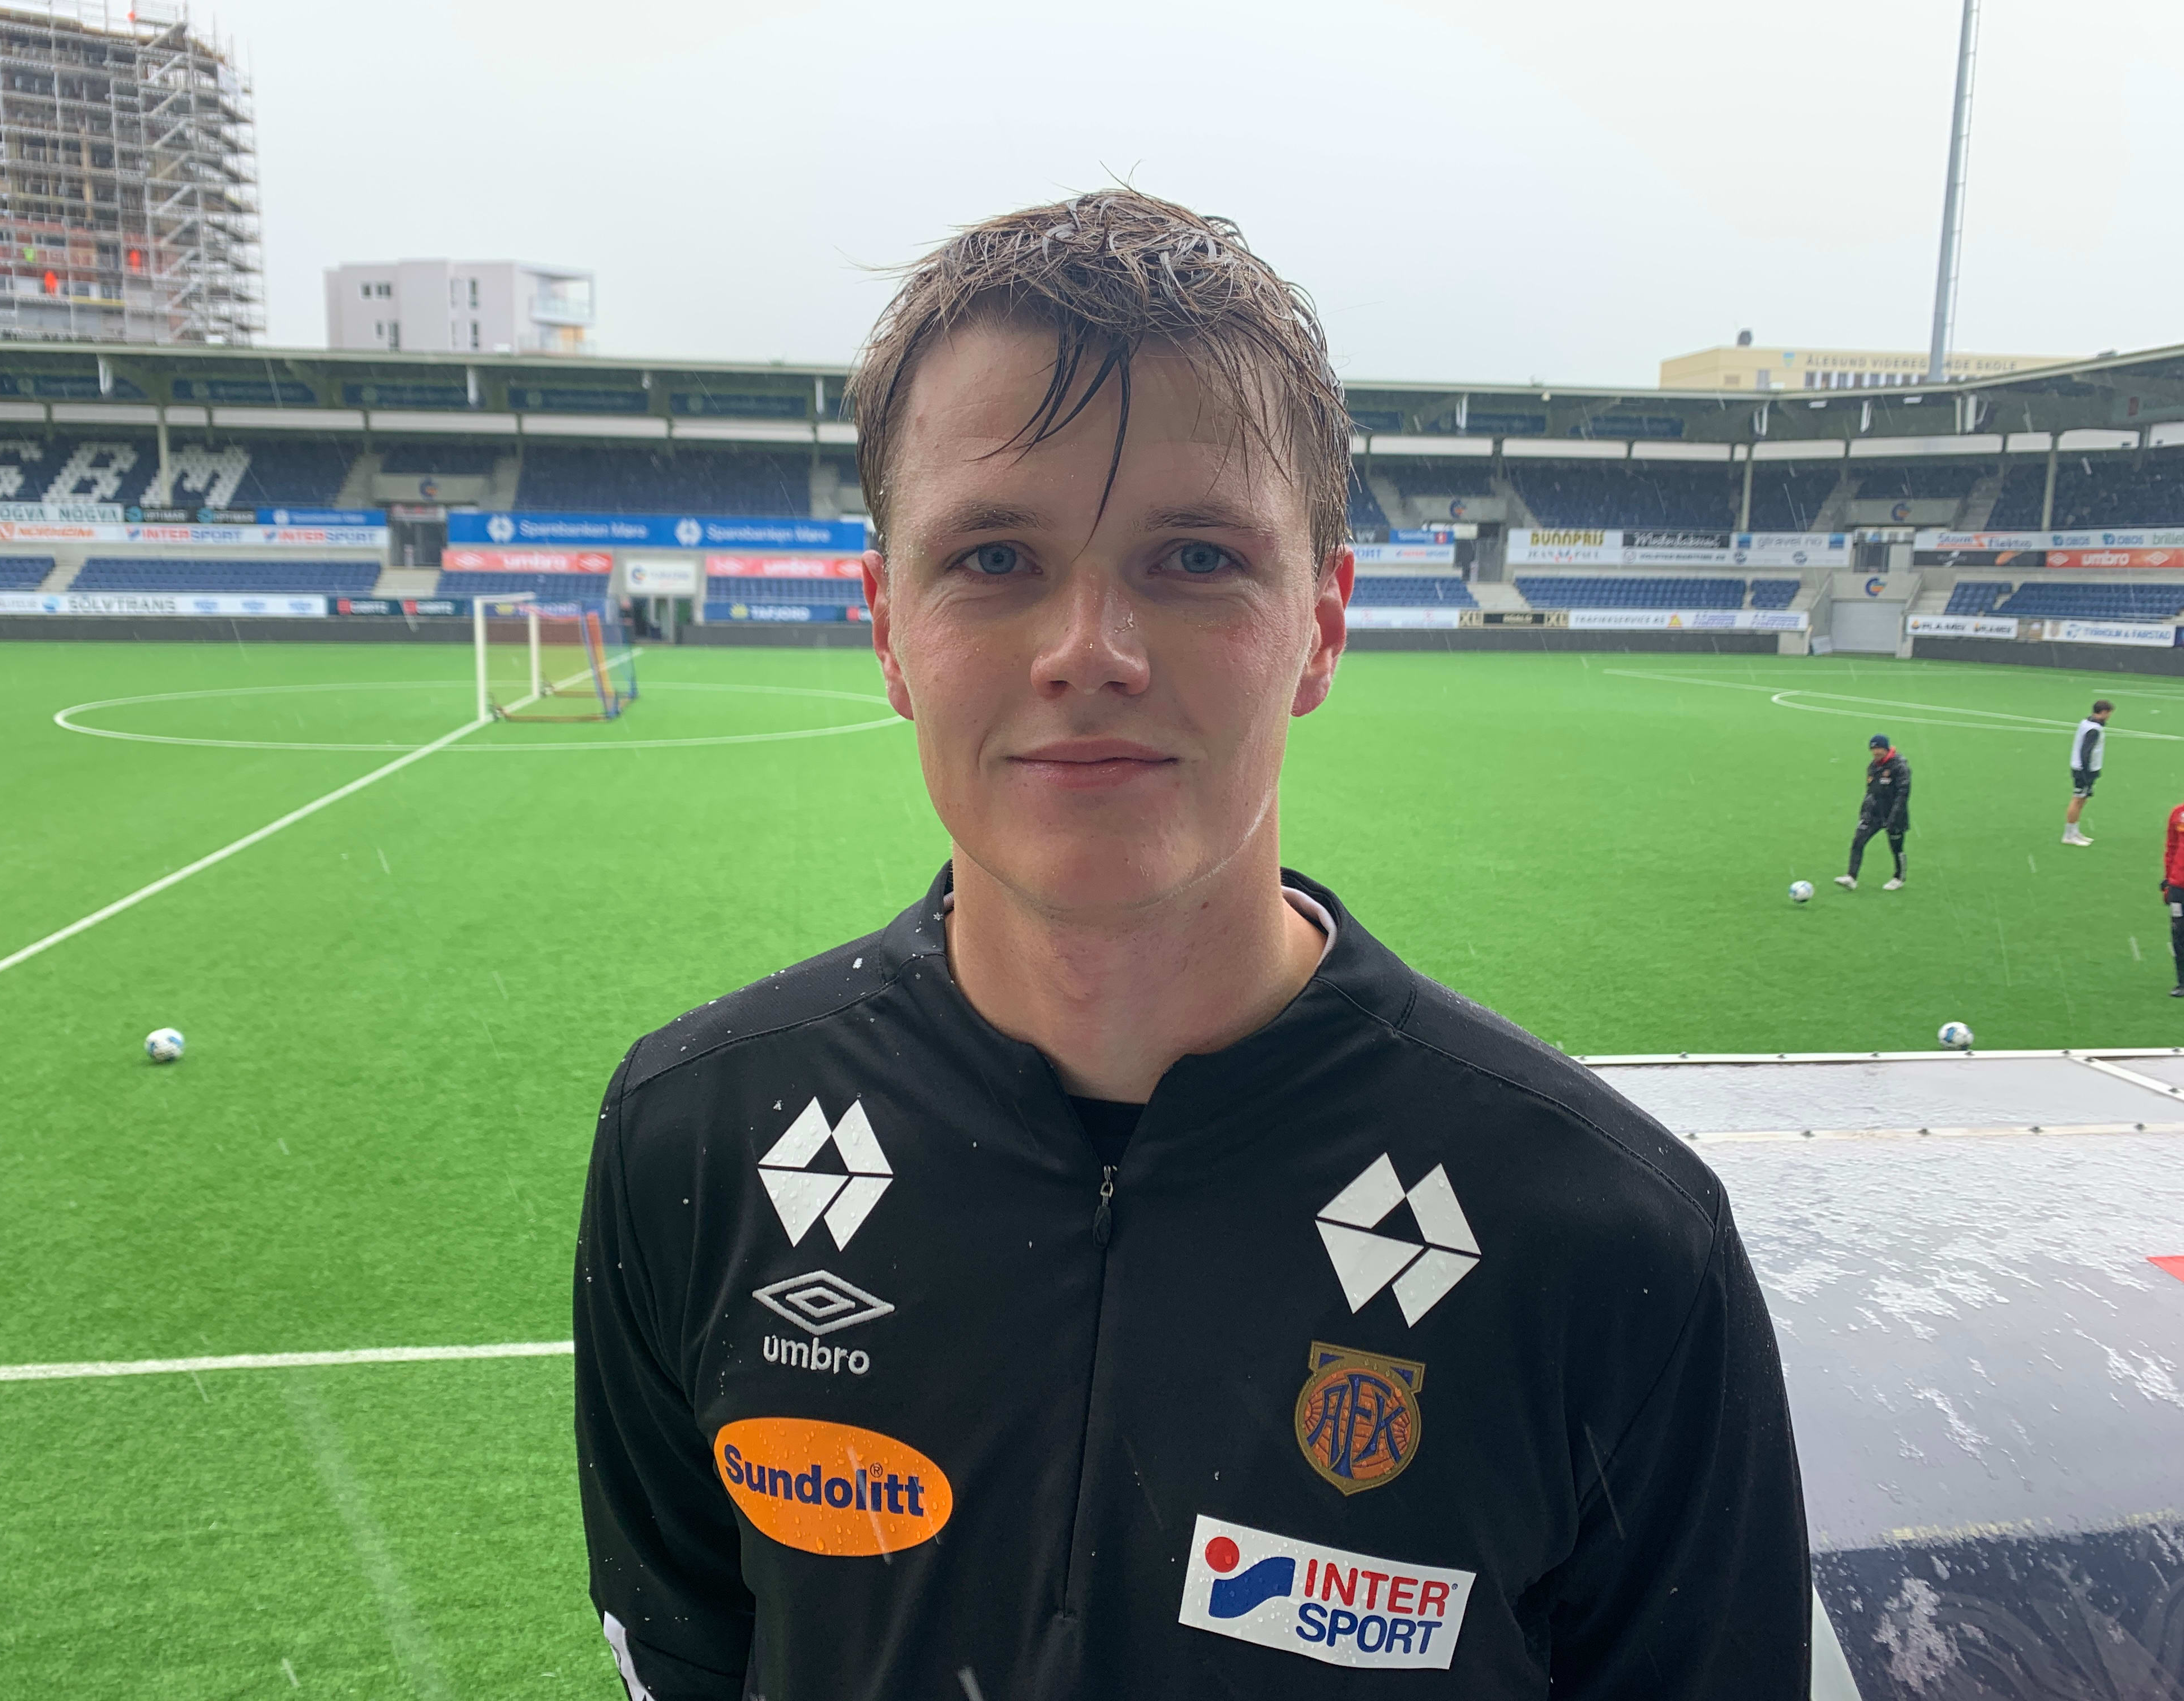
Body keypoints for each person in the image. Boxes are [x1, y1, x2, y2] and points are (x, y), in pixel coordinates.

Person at [573, 190, 1809, 1701]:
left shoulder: (1615, 1245)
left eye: (1197, 557)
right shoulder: (691, 1142)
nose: (1089, 650)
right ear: (888, 627)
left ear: (1322, 623)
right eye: (996, 558)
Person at [1835, 734, 1911, 891]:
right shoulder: (1873, 767)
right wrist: (1865, 812)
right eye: (1873, 749)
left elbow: (1903, 794)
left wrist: (1895, 816)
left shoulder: (1899, 766)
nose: (1876, 752)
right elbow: (1870, 793)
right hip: (1875, 814)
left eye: (1879, 749)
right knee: (1858, 841)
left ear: (1886, 748)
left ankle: (1899, 878)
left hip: (1895, 815)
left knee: (1896, 848)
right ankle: (1851, 877)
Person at [2065, 699, 2114, 846]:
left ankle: (2075, 832)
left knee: (2082, 800)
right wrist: (2086, 774)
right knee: (2078, 800)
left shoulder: (2086, 723)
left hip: (2085, 769)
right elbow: (2085, 753)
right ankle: (2069, 835)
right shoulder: (2094, 730)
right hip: (2084, 770)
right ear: (2104, 712)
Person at [2163, 797, 2184, 995]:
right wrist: (2167, 881)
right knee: (2179, 933)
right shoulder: (2178, 814)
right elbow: (2171, 847)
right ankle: (2183, 982)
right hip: (2178, 886)